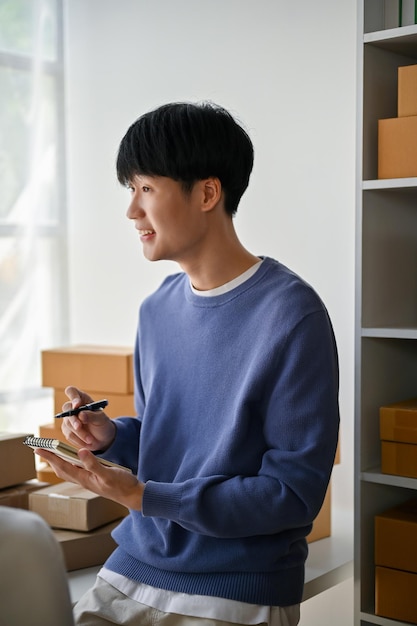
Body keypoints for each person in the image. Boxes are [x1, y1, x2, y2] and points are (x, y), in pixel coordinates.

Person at [39, 101, 340, 626]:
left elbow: (292, 495)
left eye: (146, 189)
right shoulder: (157, 310)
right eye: (129, 190)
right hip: (133, 563)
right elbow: (173, 446)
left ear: (207, 192)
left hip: (236, 585)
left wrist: (143, 494)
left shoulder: (293, 316)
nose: (132, 211)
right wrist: (112, 437)